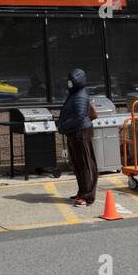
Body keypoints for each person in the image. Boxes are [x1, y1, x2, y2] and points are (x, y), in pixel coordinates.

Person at [56, 68, 98, 206]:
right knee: (78, 164)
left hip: (81, 132)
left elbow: (79, 117)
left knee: (85, 164)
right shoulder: (74, 94)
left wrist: (63, 125)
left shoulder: (80, 96)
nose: (69, 83)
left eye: (71, 80)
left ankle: (87, 196)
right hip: (75, 132)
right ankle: (82, 192)